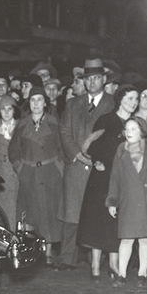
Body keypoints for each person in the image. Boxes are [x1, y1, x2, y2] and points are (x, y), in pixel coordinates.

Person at [57, 59, 114, 270]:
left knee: (99, 212)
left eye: (96, 78)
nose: (92, 82)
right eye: (88, 78)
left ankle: (99, 260)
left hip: (100, 167)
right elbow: (64, 132)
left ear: (104, 80)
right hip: (76, 165)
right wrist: (77, 154)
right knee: (71, 215)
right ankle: (67, 258)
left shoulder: (113, 103)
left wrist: (99, 156)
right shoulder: (73, 104)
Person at [77, 84, 139, 279]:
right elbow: (91, 144)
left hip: (122, 177)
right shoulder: (107, 119)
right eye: (130, 98)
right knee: (98, 218)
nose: (134, 103)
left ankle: (114, 262)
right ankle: (95, 263)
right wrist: (97, 161)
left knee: (116, 220)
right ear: (120, 99)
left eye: (136, 99)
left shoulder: (134, 123)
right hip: (103, 176)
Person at [106, 117, 147, 281]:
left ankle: (142, 273)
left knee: (145, 239)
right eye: (127, 129)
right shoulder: (120, 151)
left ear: (142, 132)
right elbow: (115, 178)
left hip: (146, 201)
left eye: (133, 129)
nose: (129, 132)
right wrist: (112, 201)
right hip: (128, 201)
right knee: (126, 239)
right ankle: (122, 273)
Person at [8, 87, 63, 265]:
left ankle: (49, 252)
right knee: (31, 212)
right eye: (33, 100)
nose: (36, 104)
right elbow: (13, 150)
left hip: (49, 173)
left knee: (50, 211)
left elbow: (63, 147)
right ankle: (34, 251)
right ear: (29, 103)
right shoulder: (22, 124)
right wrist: (20, 168)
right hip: (29, 174)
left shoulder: (54, 122)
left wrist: (58, 167)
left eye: (40, 100)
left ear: (45, 103)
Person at [0, 95, 20, 230]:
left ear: (14, 110)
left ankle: (13, 238)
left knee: (13, 206)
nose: (6, 112)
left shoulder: (21, 126)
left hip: (14, 171)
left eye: (10, 109)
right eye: (3, 109)